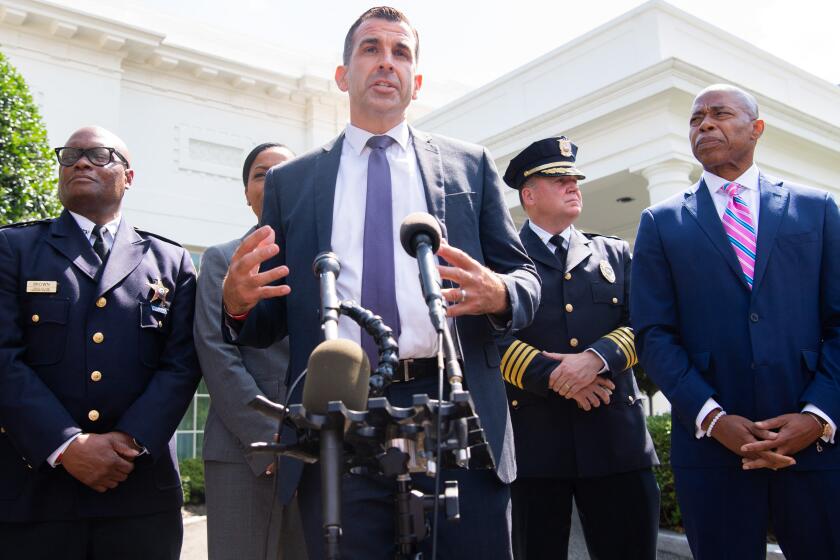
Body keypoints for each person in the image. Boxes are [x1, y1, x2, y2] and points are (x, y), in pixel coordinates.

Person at [221, 6, 540, 559]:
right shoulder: (292, 183)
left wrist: (501, 292)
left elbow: (527, 280)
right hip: (339, 414)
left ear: (416, 82)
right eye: (371, 49)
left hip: (454, 412)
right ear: (343, 75)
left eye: (401, 52)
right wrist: (238, 305)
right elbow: (269, 319)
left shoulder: (470, 167)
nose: (386, 63)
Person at [631, 84, 840, 559]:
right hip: (713, 454)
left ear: (757, 128)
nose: (704, 124)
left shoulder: (818, 210)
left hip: (815, 449)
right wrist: (713, 417)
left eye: (719, 114)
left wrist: (818, 415)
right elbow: (654, 334)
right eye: (695, 119)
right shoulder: (661, 223)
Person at [0, 126, 201, 559]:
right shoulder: (12, 249)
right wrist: (68, 445)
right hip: (36, 494)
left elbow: (182, 363)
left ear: (129, 177)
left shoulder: (170, 261)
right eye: (70, 155)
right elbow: (3, 358)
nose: (81, 162)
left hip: (139, 496)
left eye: (98, 154)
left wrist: (129, 441)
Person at [499, 136, 659, 560]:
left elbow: (643, 323)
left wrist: (595, 359)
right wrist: (552, 375)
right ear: (528, 195)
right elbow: (488, 337)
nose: (573, 186)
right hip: (536, 447)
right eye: (559, 179)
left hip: (615, 441)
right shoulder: (502, 262)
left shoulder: (614, 252)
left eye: (575, 179)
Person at [195, 143, 308, 560]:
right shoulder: (220, 261)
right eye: (262, 174)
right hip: (245, 453)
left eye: (286, 172)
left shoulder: (328, 261)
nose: (275, 180)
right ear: (246, 192)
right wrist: (269, 436)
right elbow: (215, 350)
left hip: (320, 451)